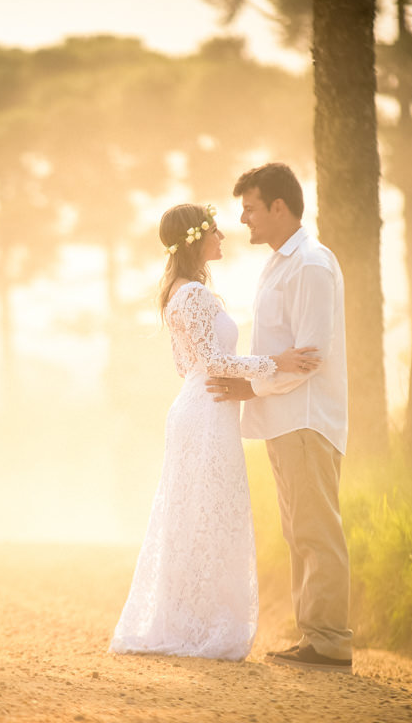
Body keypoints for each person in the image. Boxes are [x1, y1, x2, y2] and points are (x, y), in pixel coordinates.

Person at [110, 202, 319, 661]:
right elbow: (212, 363)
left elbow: (185, 366)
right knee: (208, 513)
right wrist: (276, 364)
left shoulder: (177, 293)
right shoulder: (196, 297)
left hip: (197, 406)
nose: (223, 238)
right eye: (216, 232)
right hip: (207, 412)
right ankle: (200, 626)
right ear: (197, 240)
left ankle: (189, 620)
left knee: (195, 514)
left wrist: (234, 379)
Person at [206, 163, 353, 673]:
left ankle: (331, 640)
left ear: (278, 207)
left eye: (249, 208)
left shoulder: (310, 264)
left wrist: (249, 386)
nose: (243, 218)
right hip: (283, 419)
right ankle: (315, 636)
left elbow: (309, 355)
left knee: (315, 530)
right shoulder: (280, 262)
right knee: (298, 531)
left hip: (305, 420)